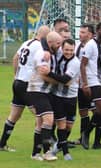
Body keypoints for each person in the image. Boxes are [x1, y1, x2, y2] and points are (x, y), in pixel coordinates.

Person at [0, 25, 50, 154]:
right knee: (43, 115)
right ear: (45, 36)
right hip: (28, 85)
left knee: (14, 115)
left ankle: (2, 144)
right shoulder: (40, 47)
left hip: (18, 82)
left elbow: (15, 58)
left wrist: (16, 75)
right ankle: (47, 145)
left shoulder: (27, 42)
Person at [40, 39, 80, 160]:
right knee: (61, 125)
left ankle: (58, 145)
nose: (68, 52)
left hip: (72, 97)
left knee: (69, 126)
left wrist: (49, 73)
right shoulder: (58, 54)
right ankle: (66, 152)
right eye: (66, 50)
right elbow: (43, 39)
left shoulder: (75, 62)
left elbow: (65, 80)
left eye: (71, 50)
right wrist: (46, 50)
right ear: (62, 48)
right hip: (58, 96)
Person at [27, 31, 62, 161]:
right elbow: (43, 76)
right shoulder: (43, 55)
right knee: (49, 119)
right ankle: (47, 152)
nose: (60, 46)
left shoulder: (51, 51)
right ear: (50, 43)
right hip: (37, 90)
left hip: (46, 91)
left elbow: (44, 38)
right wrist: (60, 81)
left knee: (40, 122)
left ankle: (35, 154)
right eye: (58, 43)